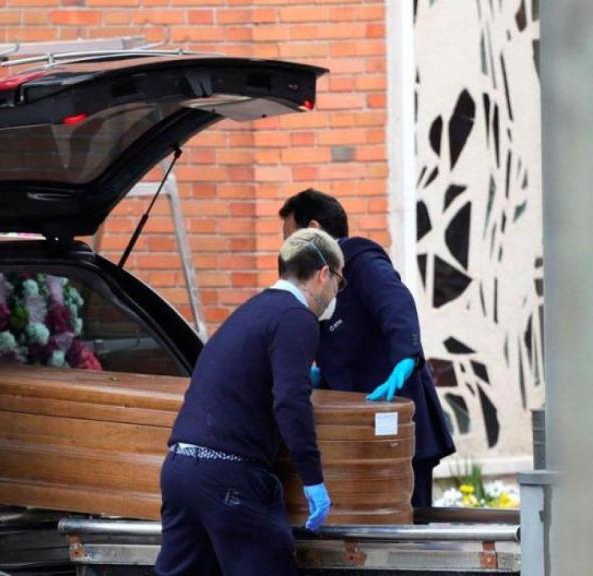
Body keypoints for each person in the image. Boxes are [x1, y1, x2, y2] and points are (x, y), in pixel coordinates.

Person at [155, 228, 342, 576]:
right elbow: (290, 400)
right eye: (338, 283)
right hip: (229, 479)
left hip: (180, 471)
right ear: (324, 274)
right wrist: (313, 479)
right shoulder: (297, 318)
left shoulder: (251, 310)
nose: (335, 294)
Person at [279, 188, 456, 507]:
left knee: (410, 530)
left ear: (315, 231)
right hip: (362, 434)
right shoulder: (316, 286)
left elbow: (396, 303)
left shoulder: (359, 260)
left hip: (402, 425)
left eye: (290, 240)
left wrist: (405, 357)